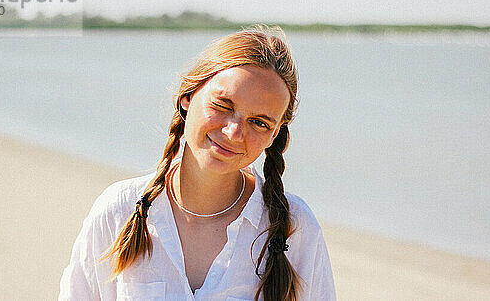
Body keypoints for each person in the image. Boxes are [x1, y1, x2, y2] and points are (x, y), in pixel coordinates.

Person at [59, 26, 336, 300]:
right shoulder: (118, 211)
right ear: (188, 97)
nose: (233, 132)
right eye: (223, 106)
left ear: (273, 135)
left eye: (259, 122)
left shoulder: (295, 227)